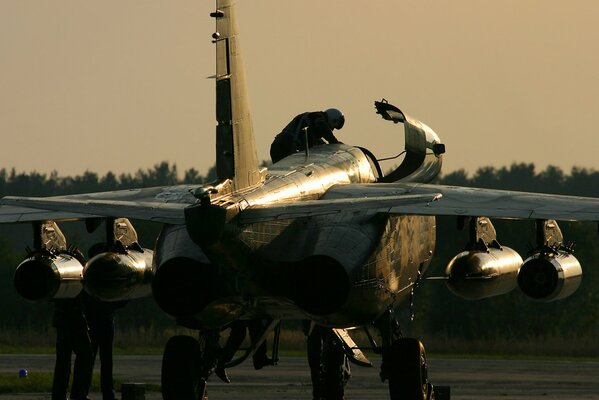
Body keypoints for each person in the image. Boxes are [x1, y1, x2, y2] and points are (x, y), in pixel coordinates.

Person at [82, 291, 127, 400]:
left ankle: (83, 391)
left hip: (92, 321)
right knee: (106, 360)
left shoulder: (90, 284)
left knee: (89, 359)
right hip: (106, 320)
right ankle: (108, 393)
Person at [51, 295, 94, 400]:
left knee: (63, 359)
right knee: (85, 354)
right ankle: (78, 393)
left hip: (64, 319)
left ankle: (59, 394)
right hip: (75, 319)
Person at [270, 108, 345, 163]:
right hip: (284, 147)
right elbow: (321, 126)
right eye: (332, 128)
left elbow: (317, 142)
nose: (331, 130)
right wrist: (334, 141)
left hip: (278, 146)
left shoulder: (311, 122)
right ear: (332, 120)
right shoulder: (317, 117)